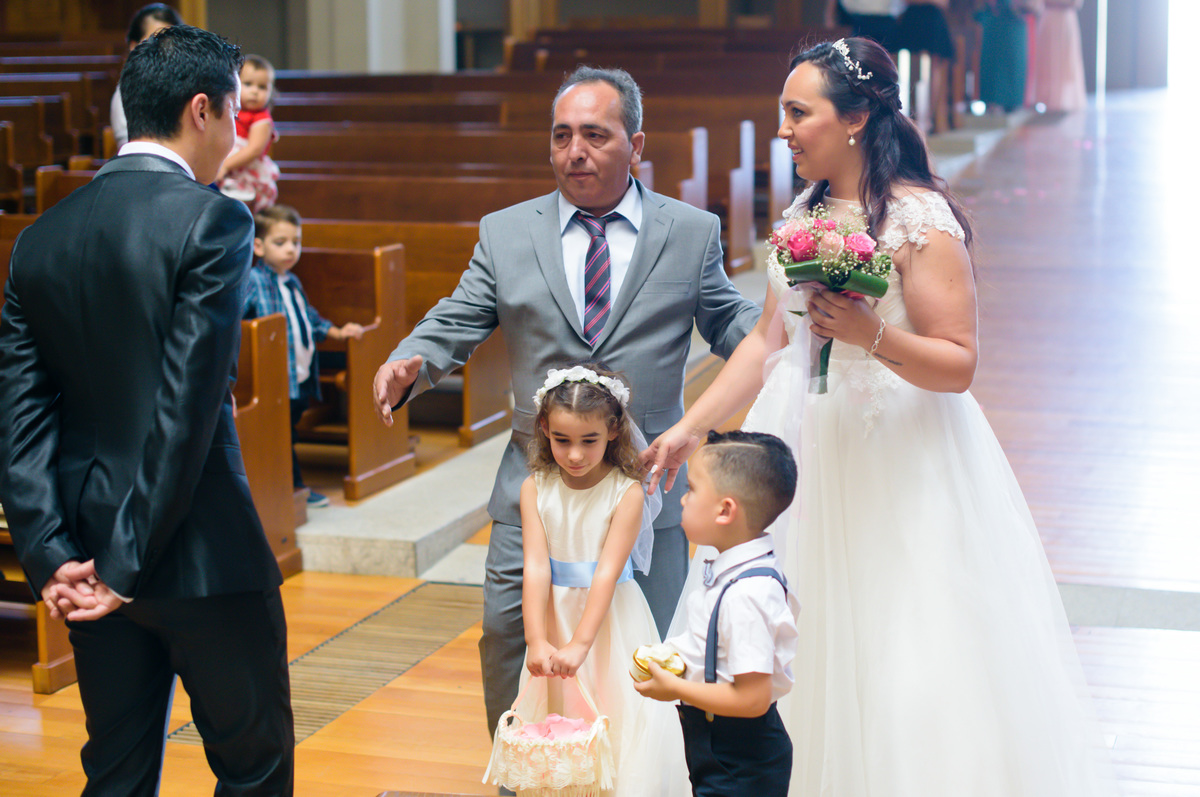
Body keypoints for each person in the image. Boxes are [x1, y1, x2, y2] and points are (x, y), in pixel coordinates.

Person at [644, 37, 1118, 796]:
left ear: (857, 117)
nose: (784, 131)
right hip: (798, 443)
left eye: (799, 114)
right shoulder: (803, 210)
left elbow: (958, 362)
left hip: (896, 451)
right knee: (784, 623)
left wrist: (871, 334)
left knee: (904, 638)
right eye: (782, 115)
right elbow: (767, 342)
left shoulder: (919, 219)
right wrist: (688, 426)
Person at [372, 65, 761, 738]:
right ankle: (524, 771)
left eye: (594, 134)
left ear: (636, 145)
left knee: (648, 646)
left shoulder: (691, 231)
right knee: (507, 637)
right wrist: (412, 359)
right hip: (538, 484)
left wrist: (785, 342)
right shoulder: (507, 231)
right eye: (561, 136)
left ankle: (637, 776)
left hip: (649, 483)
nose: (573, 150)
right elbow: (459, 316)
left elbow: (731, 321)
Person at [0, 25, 294, 796]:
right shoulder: (213, 219)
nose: (236, 131)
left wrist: (50, 554)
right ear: (201, 110)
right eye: (234, 112)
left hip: (86, 553)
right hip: (199, 556)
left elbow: (21, 414)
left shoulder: (39, 238)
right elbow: (186, 407)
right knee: (252, 768)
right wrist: (126, 565)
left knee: (118, 772)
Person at [514, 364, 686, 796]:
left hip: (606, 620)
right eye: (562, 440)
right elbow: (536, 566)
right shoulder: (535, 488)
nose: (575, 454)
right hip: (554, 616)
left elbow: (608, 572)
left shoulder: (625, 492)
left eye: (588, 441)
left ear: (613, 430)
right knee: (558, 721)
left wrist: (580, 644)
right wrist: (537, 639)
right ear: (543, 429)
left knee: (610, 710)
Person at [636, 430, 799, 797]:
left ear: (725, 510)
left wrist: (676, 688)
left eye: (692, 489)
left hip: (741, 757)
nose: (682, 499)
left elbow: (752, 699)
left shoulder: (746, 596)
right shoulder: (730, 569)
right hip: (718, 744)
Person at [242, 204, 363, 508]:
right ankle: (294, 488)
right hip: (276, 377)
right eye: (280, 243)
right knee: (281, 435)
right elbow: (241, 324)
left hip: (299, 375)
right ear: (258, 246)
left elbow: (307, 317)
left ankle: (286, 486)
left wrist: (335, 332)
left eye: (296, 242)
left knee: (288, 430)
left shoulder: (292, 281)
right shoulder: (254, 282)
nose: (290, 250)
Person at [111, 3, 183, 151]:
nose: (165, 50)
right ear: (134, 46)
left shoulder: (184, 83)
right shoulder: (127, 92)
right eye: (155, 41)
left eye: (171, 42)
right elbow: (134, 149)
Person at [218, 54, 280, 211]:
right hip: (226, 166)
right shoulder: (229, 110)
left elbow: (254, 150)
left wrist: (225, 166)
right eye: (248, 84)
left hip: (246, 171)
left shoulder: (262, 118)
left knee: (239, 209)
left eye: (262, 87)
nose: (254, 91)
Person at [1031, 0, 1087, 112]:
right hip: (1048, 19)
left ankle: (1062, 98)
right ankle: (1046, 97)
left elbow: (1076, 3)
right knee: (1047, 60)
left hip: (1065, 19)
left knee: (1065, 61)